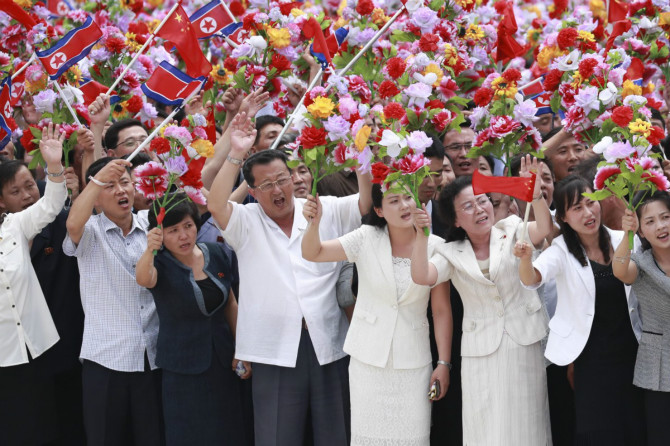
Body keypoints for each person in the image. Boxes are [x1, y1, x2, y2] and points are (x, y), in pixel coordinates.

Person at [207, 112, 372, 445]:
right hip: (275, 349)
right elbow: (214, 203)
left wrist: (362, 158)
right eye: (266, 185)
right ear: (252, 191)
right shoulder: (245, 220)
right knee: (276, 435)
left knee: (337, 433)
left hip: (327, 341)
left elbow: (366, 203)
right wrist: (236, 153)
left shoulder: (323, 207)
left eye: (282, 178)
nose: (277, 189)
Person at [411, 156, 553, 445]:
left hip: (522, 339)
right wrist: (419, 235)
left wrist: (536, 196)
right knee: (485, 427)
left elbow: (543, 230)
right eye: (468, 206)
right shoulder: (451, 252)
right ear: (455, 220)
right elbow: (423, 275)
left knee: (528, 423)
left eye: (483, 200)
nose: (479, 209)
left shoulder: (512, 227)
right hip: (480, 350)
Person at [301, 184, 453, 445]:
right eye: (394, 200)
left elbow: (440, 311)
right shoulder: (366, 236)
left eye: (408, 197)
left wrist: (443, 363)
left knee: (413, 438)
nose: (404, 205)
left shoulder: (437, 245)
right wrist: (313, 224)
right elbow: (313, 252)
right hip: (367, 360)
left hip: (413, 362)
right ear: (379, 210)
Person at [514, 175, 645, 445]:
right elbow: (532, 279)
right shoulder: (561, 249)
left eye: (591, 203)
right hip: (591, 358)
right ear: (562, 217)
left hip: (633, 350)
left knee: (636, 426)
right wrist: (526, 260)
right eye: (577, 208)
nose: (588, 213)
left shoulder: (624, 238)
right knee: (599, 430)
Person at [63, 157, 163, 445]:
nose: (121, 190)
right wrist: (95, 181)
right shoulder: (90, 229)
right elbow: (72, 223)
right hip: (106, 359)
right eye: (110, 185)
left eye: (125, 183)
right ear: (95, 197)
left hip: (152, 356)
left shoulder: (151, 223)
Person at [136, 195, 250, 445]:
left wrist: (242, 349)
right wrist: (149, 249)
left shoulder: (216, 251)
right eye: (173, 230)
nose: (183, 236)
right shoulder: (159, 262)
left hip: (223, 362)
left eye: (188, 226)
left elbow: (230, 303)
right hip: (182, 370)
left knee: (230, 431)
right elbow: (144, 279)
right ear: (160, 234)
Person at [0, 123, 68, 445]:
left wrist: (53, 165)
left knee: (45, 427)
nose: (24, 194)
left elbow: (52, 205)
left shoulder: (15, 225)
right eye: (15, 190)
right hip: (3, 356)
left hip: (36, 347)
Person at [613, 191, 670, 446]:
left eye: (665, 217)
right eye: (650, 221)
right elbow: (620, 270)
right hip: (658, 366)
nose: (660, 226)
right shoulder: (641, 264)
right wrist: (627, 234)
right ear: (641, 231)